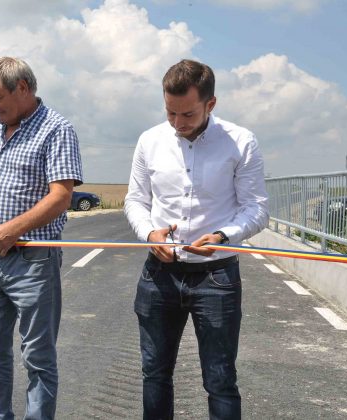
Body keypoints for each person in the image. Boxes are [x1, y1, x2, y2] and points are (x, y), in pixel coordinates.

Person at [124, 59, 269, 419]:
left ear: (210, 104)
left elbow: (256, 209)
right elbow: (136, 201)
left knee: (220, 380)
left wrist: (223, 236)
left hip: (216, 276)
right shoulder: (149, 141)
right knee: (154, 374)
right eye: (170, 113)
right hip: (159, 275)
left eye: (187, 114)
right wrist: (149, 234)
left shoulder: (240, 142)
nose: (178, 123)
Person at [0, 57, 83, 420]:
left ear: (23, 88)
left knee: (37, 357)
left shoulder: (56, 129)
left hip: (32, 261)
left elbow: (61, 196)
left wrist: (14, 229)